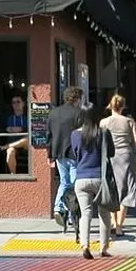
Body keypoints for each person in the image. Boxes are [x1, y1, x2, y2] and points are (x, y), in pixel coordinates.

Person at [71, 107, 115, 259]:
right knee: (104, 213)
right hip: (100, 178)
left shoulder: (75, 134)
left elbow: (75, 154)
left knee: (86, 213)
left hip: (81, 178)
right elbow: (111, 153)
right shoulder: (103, 132)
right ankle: (103, 248)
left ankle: (85, 245)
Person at [99, 94, 136, 237]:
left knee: (112, 190)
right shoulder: (129, 121)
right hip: (126, 157)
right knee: (126, 191)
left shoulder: (103, 123)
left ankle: (112, 221)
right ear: (123, 106)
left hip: (110, 158)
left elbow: (100, 141)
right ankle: (119, 226)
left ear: (110, 106)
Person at [46, 87, 84, 232]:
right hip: (74, 153)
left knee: (64, 181)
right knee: (74, 185)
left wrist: (49, 155)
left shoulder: (53, 113)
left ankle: (58, 207)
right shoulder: (79, 113)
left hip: (58, 153)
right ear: (77, 98)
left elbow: (48, 135)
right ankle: (71, 215)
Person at [4, 95, 30, 174]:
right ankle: (13, 175)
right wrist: (13, 129)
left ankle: (7, 146)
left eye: (18, 101)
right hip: (13, 144)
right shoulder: (9, 118)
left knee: (27, 140)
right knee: (10, 151)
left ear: (23, 104)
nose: (16, 104)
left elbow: (31, 130)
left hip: (26, 145)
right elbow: (6, 128)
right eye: (13, 102)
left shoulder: (28, 118)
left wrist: (21, 129)